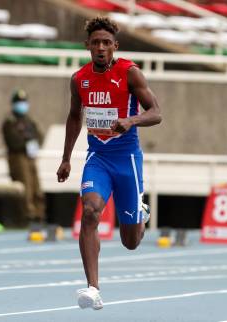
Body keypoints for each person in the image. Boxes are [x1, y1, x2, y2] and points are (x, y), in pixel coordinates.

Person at [56, 17, 161, 310]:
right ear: (87, 46)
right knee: (90, 212)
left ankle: (139, 212)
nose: (101, 48)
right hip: (97, 157)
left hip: (127, 160)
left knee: (131, 241)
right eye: (95, 43)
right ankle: (93, 288)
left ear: (115, 46)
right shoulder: (80, 79)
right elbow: (75, 116)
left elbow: (156, 112)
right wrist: (65, 159)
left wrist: (131, 120)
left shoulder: (130, 74)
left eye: (106, 43)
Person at [2, 89, 46, 236]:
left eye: (23, 102)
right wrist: (27, 142)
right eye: (19, 102)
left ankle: (39, 217)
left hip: (31, 157)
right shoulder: (9, 122)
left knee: (37, 188)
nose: (22, 105)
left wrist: (32, 143)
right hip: (18, 158)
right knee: (25, 188)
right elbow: (13, 142)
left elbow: (39, 136)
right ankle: (27, 218)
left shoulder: (29, 121)